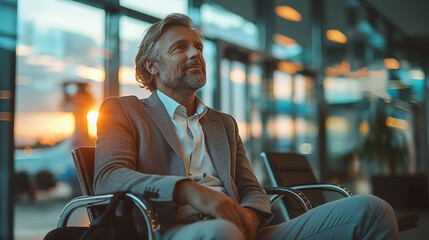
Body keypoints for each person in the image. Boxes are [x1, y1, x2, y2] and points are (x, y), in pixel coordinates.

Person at [93, 13, 399, 240]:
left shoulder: (223, 124)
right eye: (180, 48)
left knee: (372, 209)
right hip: (168, 230)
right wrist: (186, 191)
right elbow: (108, 178)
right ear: (151, 65)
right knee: (221, 233)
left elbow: (251, 187)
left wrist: (252, 217)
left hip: (244, 229)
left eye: (198, 47)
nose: (194, 53)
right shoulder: (123, 111)